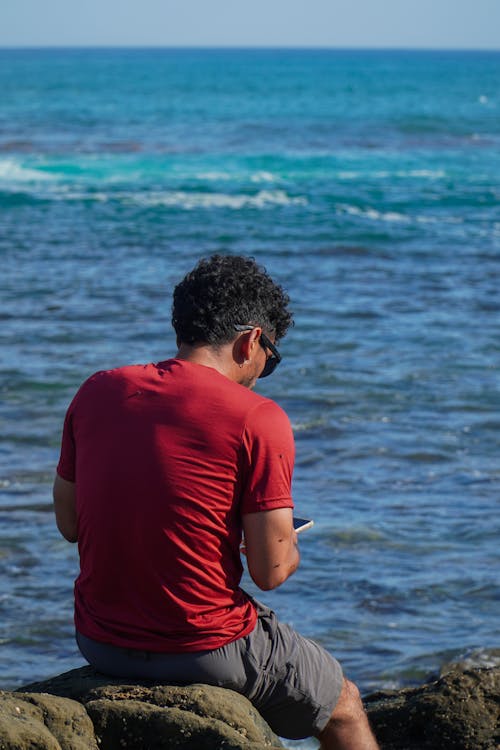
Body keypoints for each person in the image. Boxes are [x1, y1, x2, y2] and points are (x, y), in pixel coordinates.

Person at [54, 254, 379, 750]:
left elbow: (69, 523)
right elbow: (270, 572)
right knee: (344, 707)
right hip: (202, 646)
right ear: (251, 340)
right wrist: (284, 540)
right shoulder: (258, 418)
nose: (263, 371)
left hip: (99, 640)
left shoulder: (98, 390)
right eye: (271, 358)